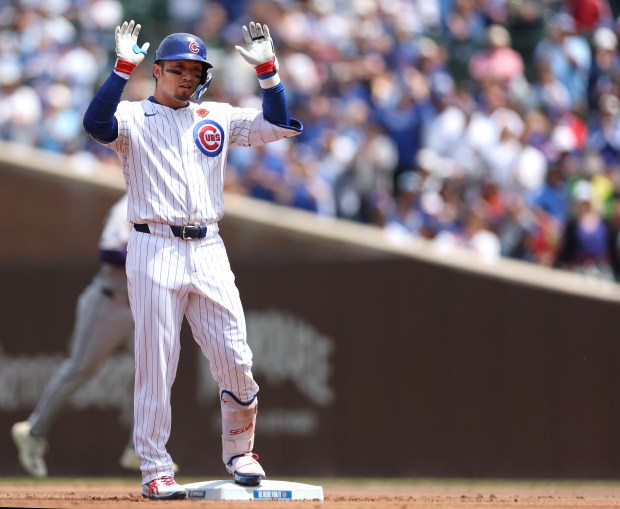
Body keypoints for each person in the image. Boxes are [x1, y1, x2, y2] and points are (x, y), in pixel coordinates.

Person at [82, 20, 302, 500]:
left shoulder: (215, 115)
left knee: (236, 357)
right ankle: (155, 469)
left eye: (194, 69)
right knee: (157, 363)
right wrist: (121, 69)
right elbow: (95, 125)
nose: (186, 76)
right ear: (156, 71)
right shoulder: (132, 117)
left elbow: (280, 123)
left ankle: (241, 451)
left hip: (208, 247)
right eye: (177, 68)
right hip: (153, 244)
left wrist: (269, 72)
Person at [10, 194, 166, 476]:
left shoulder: (173, 205)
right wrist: (148, 256)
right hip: (110, 301)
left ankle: (140, 447)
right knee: (80, 369)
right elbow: (108, 250)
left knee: (155, 370)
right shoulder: (131, 201)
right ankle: (33, 432)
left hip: (141, 304)